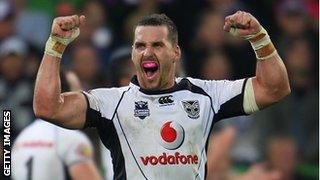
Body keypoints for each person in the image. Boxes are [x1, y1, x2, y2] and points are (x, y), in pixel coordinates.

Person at [33, 11, 290, 179]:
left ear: (175, 52)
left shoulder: (206, 95)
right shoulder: (109, 103)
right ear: (133, 53)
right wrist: (56, 45)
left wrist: (259, 38)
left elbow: (273, 88)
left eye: (157, 45)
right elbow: (47, 107)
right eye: (140, 46)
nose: (147, 52)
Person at [13, 70, 102, 180]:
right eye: (79, 92)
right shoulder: (72, 139)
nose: (84, 97)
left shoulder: (21, 138)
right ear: (65, 96)